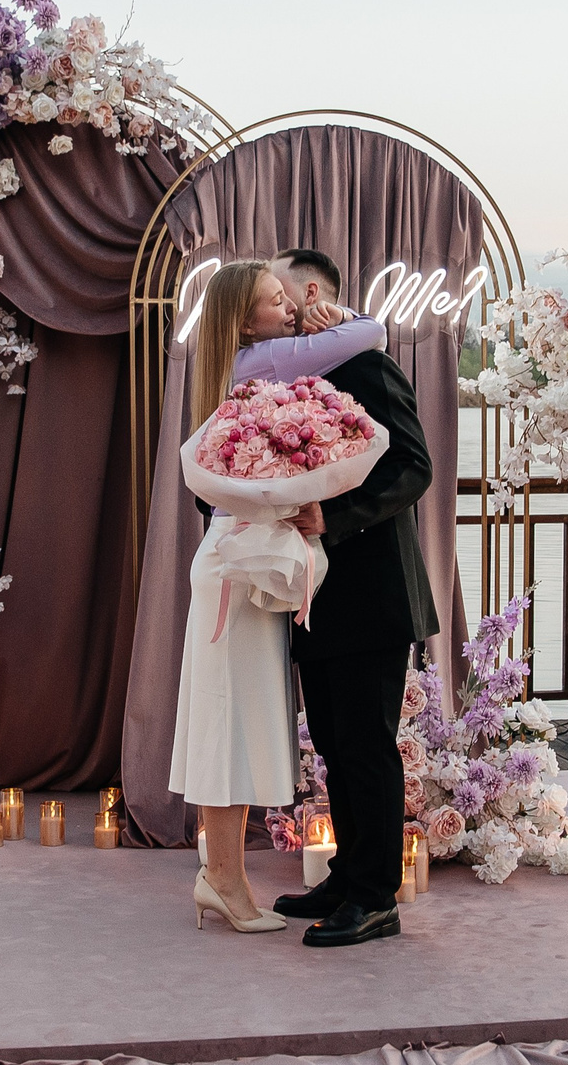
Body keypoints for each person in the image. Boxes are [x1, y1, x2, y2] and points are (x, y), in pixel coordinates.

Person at [169, 259, 385, 934]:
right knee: (226, 722)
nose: (289, 306)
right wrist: (340, 316)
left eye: (287, 297)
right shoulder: (264, 360)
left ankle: (224, 875)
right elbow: (372, 331)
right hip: (243, 567)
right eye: (273, 300)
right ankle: (223, 878)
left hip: (242, 564)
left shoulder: (236, 364)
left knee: (228, 720)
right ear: (243, 318)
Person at [269, 248, 436, 948]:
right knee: (335, 743)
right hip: (320, 593)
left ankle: (376, 897)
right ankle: (348, 873)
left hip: (372, 591)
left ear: (312, 293)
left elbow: (413, 464)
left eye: (278, 292)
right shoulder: (291, 373)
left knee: (366, 745)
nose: (271, 307)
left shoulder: (365, 361)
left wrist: (332, 520)